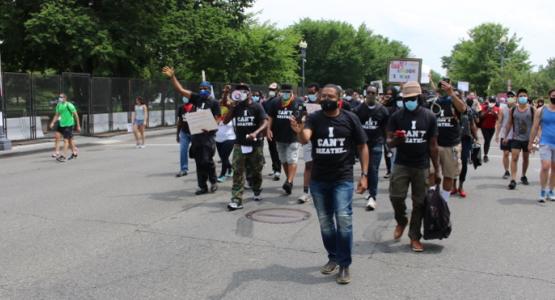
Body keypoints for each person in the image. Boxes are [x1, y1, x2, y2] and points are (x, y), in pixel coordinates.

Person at [290, 84, 369, 285]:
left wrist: (365, 175)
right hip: (319, 179)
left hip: (342, 178)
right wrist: (299, 131)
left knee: (343, 219)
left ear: (339, 98)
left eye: (330, 95)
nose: (325, 98)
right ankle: (333, 256)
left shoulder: (350, 118)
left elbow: (362, 146)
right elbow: (305, 139)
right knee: (325, 222)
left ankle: (344, 264)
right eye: (322, 95)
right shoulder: (314, 118)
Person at [386, 81, 440, 252]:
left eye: (412, 98)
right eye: (406, 98)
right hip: (401, 163)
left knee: (420, 203)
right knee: (396, 196)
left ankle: (414, 236)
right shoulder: (396, 116)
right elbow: (388, 142)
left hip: (421, 165)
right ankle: (401, 220)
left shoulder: (429, 116)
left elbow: (433, 145)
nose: (409, 101)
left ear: (419, 97)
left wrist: (436, 170)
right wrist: (396, 140)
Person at [163, 66, 220, 195]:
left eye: (205, 88)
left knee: (207, 160)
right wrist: (172, 77)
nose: (202, 90)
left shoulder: (214, 103)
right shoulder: (197, 98)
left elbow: (218, 119)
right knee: (199, 162)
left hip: (208, 136)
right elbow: (180, 90)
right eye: (201, 88)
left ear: (210, 89)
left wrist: (210, 126)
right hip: (196, 136)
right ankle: (202, 186)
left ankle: (213, 181)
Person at [223, 83, 268, 210]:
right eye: (238, 91)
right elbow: (225, 121)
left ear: (248, 93)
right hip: (240, 144)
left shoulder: (257, 106)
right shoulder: (236, 107)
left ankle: (257, 189)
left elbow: (265, 121)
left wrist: (256, 132)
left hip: (255, 144)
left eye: (243, 90)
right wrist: (232, 107)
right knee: (237, 171)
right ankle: (236, 199)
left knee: (256, 171)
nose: (240, 92)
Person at [353, 86, 389, 210]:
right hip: (363, 145)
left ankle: (372, 196)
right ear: (365, 94)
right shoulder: (358, 110)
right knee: (365, 169)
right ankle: (368, 189)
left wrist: (387, 143)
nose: (370, 95)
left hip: (377, 144)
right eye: (368, 92)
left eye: (373, 93)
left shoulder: (383, 110)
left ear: (377, 94)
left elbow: (386, 129)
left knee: (373, 169)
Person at [267, 84, 304, 195]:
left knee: (292, 159)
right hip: (279, 136)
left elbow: (303, 117)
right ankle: (290, 181)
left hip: (293, 136)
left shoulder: (299, 102)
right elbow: (270, 117)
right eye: (284, 91)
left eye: (288, 91)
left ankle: (288, 181)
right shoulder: (275, 102)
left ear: (292, 92)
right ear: (280, 92)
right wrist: (268, 129)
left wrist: (300, 130)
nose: (285, 94)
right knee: (283, 160)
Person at [433, 80, 467, 202]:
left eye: (446, 87)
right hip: (434, 146)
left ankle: (444, 203)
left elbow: (463, 109)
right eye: (441, 87)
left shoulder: (454, 101)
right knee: (431, 175)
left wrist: (451, 93)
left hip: (451, 145)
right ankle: (433, 199)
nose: (444, 89)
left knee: (448, 176)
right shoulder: (433, 103)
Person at [503, 88, 534, 190]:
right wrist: (506, 136)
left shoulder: (532, 109)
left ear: (527, 97)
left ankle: (523, 175)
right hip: (516, 138)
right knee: (514, 158)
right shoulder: (513, 110)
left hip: (527, 139)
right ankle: (513, 180)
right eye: (520, 96)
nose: (522, 98)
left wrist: (536, 138)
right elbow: (509, 124)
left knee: (525, 158)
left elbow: (536, 125)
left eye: (524, 96)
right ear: (517, 98)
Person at [529, 89, 555, 202]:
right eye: (554, 95)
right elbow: (535, 127)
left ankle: (551, 191)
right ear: (549, 96)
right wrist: (530, 143)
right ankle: (543, 191)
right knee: (545, 167)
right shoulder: (541, 110)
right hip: (545, 142)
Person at [452, 95, 479, 197]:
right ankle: (453, 186)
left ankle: (461, 186)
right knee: (454, 163)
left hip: (466, 140)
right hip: (453, 140)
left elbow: (472, 125)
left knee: (463, 163)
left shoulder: (468, 111)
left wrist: (476, 138)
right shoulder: (449, 111)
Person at [298, 83, 320, 204]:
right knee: (308, 165)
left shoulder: (323, 105)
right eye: (310, 93)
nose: (311, 95)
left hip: (321, 138)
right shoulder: (303, 104)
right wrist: (303, 116)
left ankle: (320, 190)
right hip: (308, 137)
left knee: (321, 165)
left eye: (313, 93)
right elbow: (298, 116)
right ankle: (306, 192)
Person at [49, 93, 81, 162]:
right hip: (61, 124)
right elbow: (57, 115)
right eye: (59, 97)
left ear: (65, 98)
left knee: (66, 140)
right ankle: (74, 153)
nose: (60, 98)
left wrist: (78, 126)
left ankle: (63, 156)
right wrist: (52, 122)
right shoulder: (58, 105)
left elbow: (76, 115)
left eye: (61, 97)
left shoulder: (69, 105)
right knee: (60, 137)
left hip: (69, 124)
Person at [215, 85, 236, 182]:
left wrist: (226, 93)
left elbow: (226, 102)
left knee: (224, 157)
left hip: (229, 137)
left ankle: (223, 175)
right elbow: (222, 102)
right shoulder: (218, 110)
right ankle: (231, 169)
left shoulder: (232, 109)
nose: (223, 102)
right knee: (224, 157)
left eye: (227, 101)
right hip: (218, 137)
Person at [262, 83, 282, 181]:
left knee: (278, 150)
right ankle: (276, 169)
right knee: (272, 149)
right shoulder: (266, 102)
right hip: (270, 129)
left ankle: (279, 169)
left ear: (278, 90)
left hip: (280, 129)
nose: (272, 91)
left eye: (274, 89)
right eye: (270, 89)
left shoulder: (282, 101)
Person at [495, 91, 517, 179]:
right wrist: (497, 134)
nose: (510, 97)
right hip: (505, 133)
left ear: (515, 98)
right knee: (506, 153)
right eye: (509, 96)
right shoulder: (502, 109)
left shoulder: (518, 108)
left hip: (515, 134)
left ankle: (514, 171)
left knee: (515, 155)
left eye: (512, 96)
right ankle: (507, 171)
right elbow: (499, 122)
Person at [382, 86, 401, 178]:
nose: (389, 96)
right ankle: (389, 170)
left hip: (397, 129)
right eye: (387, 94)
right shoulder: (384, 104)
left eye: (391, 94)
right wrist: (384, 102)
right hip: (386, 130)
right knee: (387, 151)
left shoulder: (398, 103)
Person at [175, 95, 193, 178]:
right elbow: (180, 122)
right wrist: (177, 134)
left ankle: (202, 168)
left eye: (187, 96)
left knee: (199, 151)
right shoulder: (181, 108)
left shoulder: (195, 106)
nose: (185, 98)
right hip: (184, 132)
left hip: (194, 133)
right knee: (183, 150)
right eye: (184, 96)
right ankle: (184, 169)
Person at [479, 96, 499, 162]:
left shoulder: (496, 108)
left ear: (495, 102)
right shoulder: (484, 107)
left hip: (492, 128)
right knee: (487, 140)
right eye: (491, 101)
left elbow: (498, 118)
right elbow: (481, 116)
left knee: (488, 141)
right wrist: (487, 111)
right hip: (484, 127)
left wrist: (494, 113)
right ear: (488, 102)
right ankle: (485, 155)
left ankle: (485, 154)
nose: (492, 103)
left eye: (493, 101)